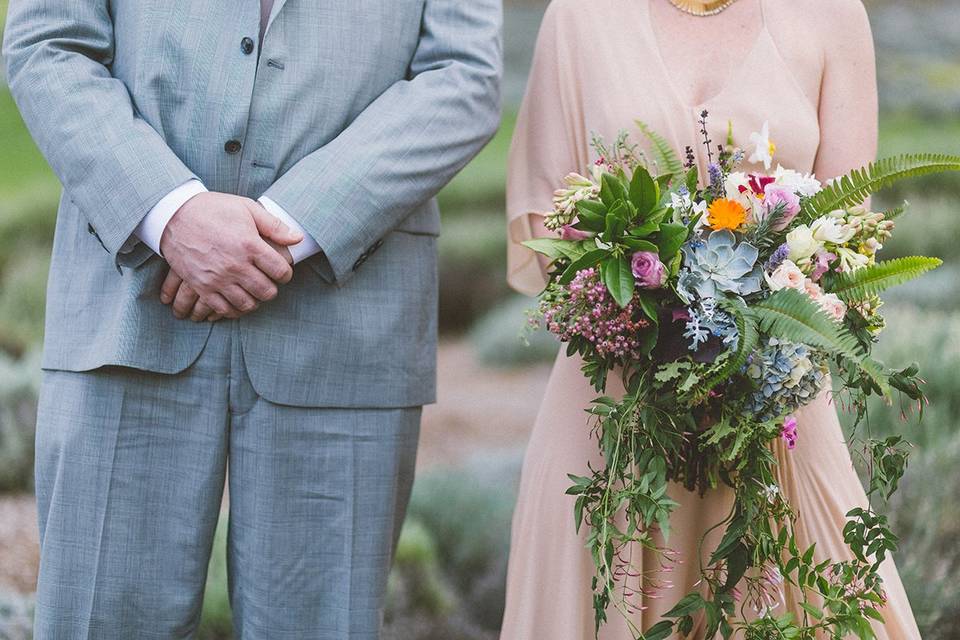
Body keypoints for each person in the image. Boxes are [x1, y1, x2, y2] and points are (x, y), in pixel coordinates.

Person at [2, 0, 501, 637]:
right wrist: (170, 213)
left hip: (347, 318)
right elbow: (49, 43)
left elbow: (463, 75)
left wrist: (283, 232)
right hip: (127, 304)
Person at [501, 0, 921, 637]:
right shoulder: (579, 16)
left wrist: (756, 309)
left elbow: (850, 235)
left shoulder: (832, 15)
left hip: (776, 409)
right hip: (615, 410)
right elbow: (547, 229)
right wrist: (650, 296)